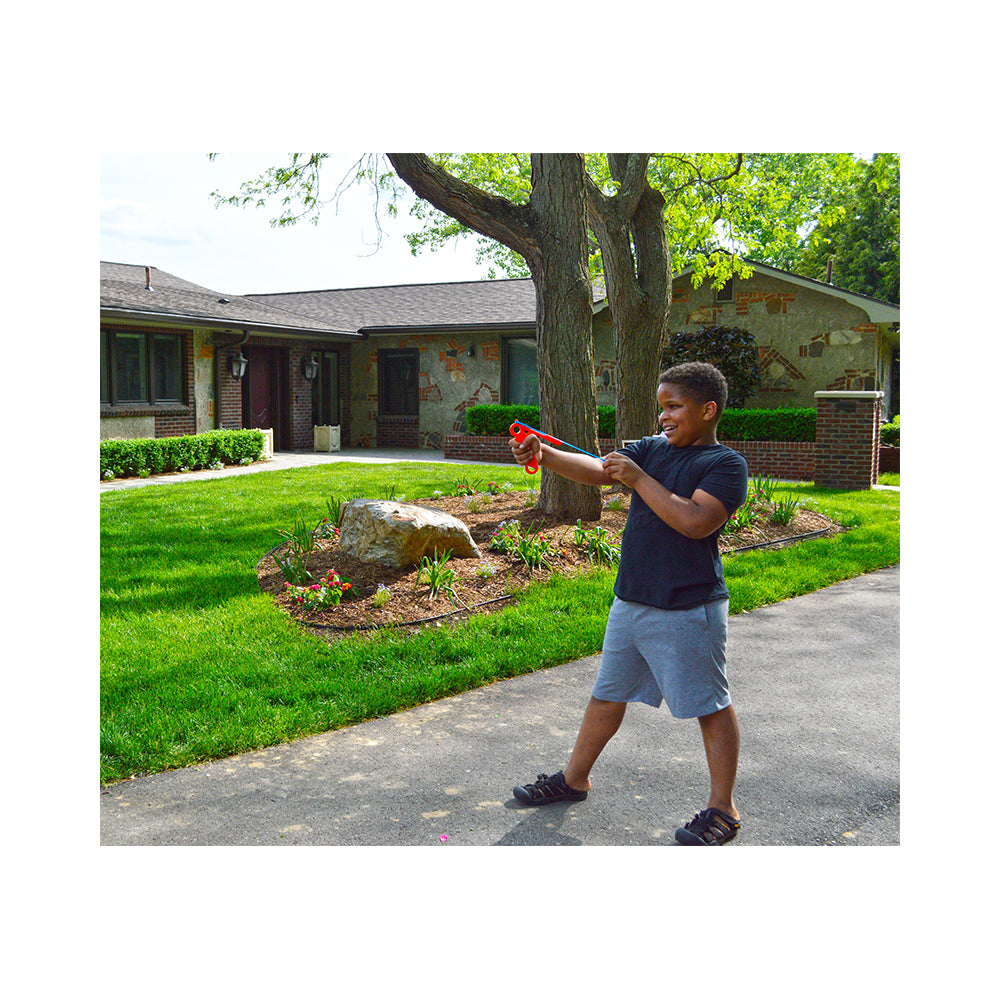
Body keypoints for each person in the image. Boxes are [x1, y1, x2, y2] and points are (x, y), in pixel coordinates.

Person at [509, 361, 749, 845]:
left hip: (688, 606)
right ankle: (574, 779)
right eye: (662, 407)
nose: (664, 416)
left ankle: (723, 809)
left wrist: (639, 479)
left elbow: (696, 522)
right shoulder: (652, 449)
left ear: (708, 410)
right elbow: (600, 470)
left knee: (709, 705)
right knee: (608, 693)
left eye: (674, 407)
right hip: (632, 599)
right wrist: (546, 455)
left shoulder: (724, 465)